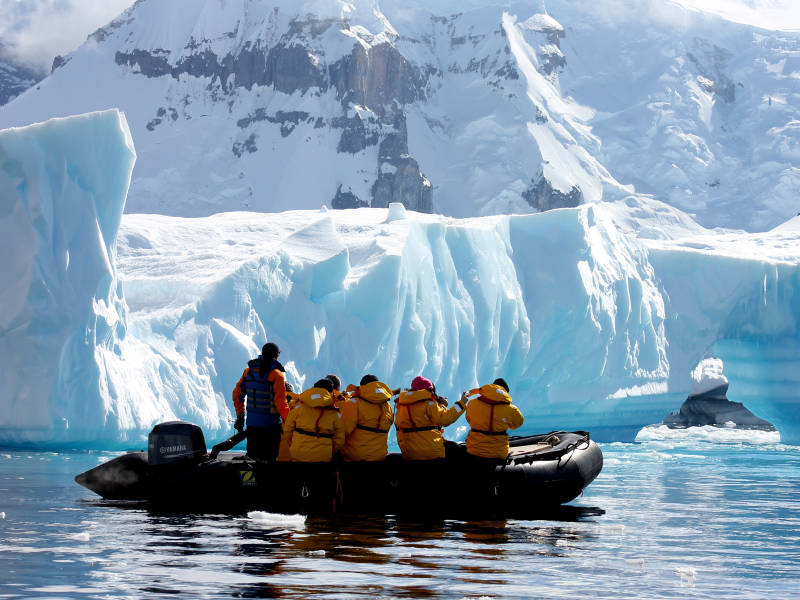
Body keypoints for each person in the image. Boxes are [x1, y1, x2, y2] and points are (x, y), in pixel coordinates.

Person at [231, 342, 289, 461]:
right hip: (271, 426)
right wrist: (289, 422)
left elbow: (237, 395)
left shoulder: (249, 372)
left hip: (252, 426)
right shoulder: (276, 375)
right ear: (276, 356)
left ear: (262, 353)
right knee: (269, 461)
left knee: (251, 460)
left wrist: (240, 416)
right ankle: (267, 479)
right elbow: (281, 403)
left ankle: (250, 480)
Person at [395, 375, 466, 460]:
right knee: (455, 448)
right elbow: (445, 419)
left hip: (409, 452)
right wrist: (461, 403)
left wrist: (439, 405)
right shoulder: (428, 404)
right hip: (428, 451)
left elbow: (421, 420)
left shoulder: (401, 405)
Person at [282, 378, 345, 462]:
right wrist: (329, 450)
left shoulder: (298, 407)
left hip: (298, 453)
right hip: (323, 456)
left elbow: (287, 429)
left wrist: (293, 445)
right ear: (330, 392)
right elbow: (339, 439)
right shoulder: (334, 413)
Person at [463, 378, 524, 461]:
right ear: (505, 392)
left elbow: (469, 419)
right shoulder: (512, 409)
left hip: (474, 451)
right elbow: (517, 423)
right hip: (499, 454)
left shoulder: (472, 403)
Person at [340, 374, 395, 462]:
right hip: (380, 456)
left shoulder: (354, 403)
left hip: (355, 456)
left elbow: (343, 430)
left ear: (362, 387)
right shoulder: (388, 406)